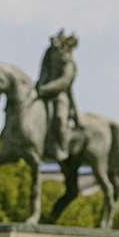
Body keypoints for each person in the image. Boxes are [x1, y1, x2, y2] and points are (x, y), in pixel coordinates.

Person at [36, 29, 80, 161]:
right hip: (43, 91)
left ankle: (62, 148)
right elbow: (43, 70)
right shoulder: (49, 54)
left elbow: (64, 82)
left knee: (60, 118)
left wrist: (46, 89)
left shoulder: (69, 63)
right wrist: (40, 85)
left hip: (59, 95)